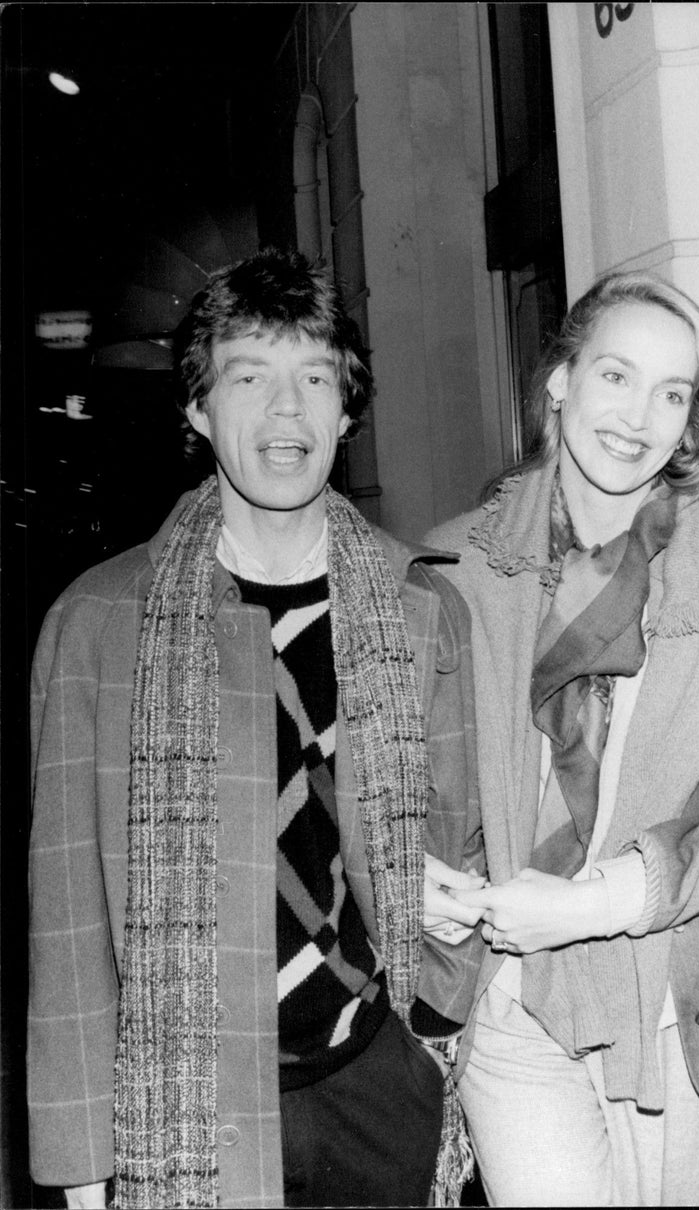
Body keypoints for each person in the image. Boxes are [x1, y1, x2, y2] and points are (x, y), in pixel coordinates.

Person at [27, 247, 486, 1210]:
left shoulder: (420, 611)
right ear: (198, 409)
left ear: (347, 409)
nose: (287, 411)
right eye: (249, 377)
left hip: (377, 1083)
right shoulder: (99, 623)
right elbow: (66, 912)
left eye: (314, 377)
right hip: (185, 1109)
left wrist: (436, 1033)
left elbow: (459, 836)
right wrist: (81, 1157)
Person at [425, 270, 699, 1207]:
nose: (638, 418)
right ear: (561, 380)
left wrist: (600, 900)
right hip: (511, 990)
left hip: (672, 998)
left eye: (672, 394)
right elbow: (419, 782)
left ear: (692, 422)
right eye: (617, 376)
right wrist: (419, 877)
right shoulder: (457, 564)